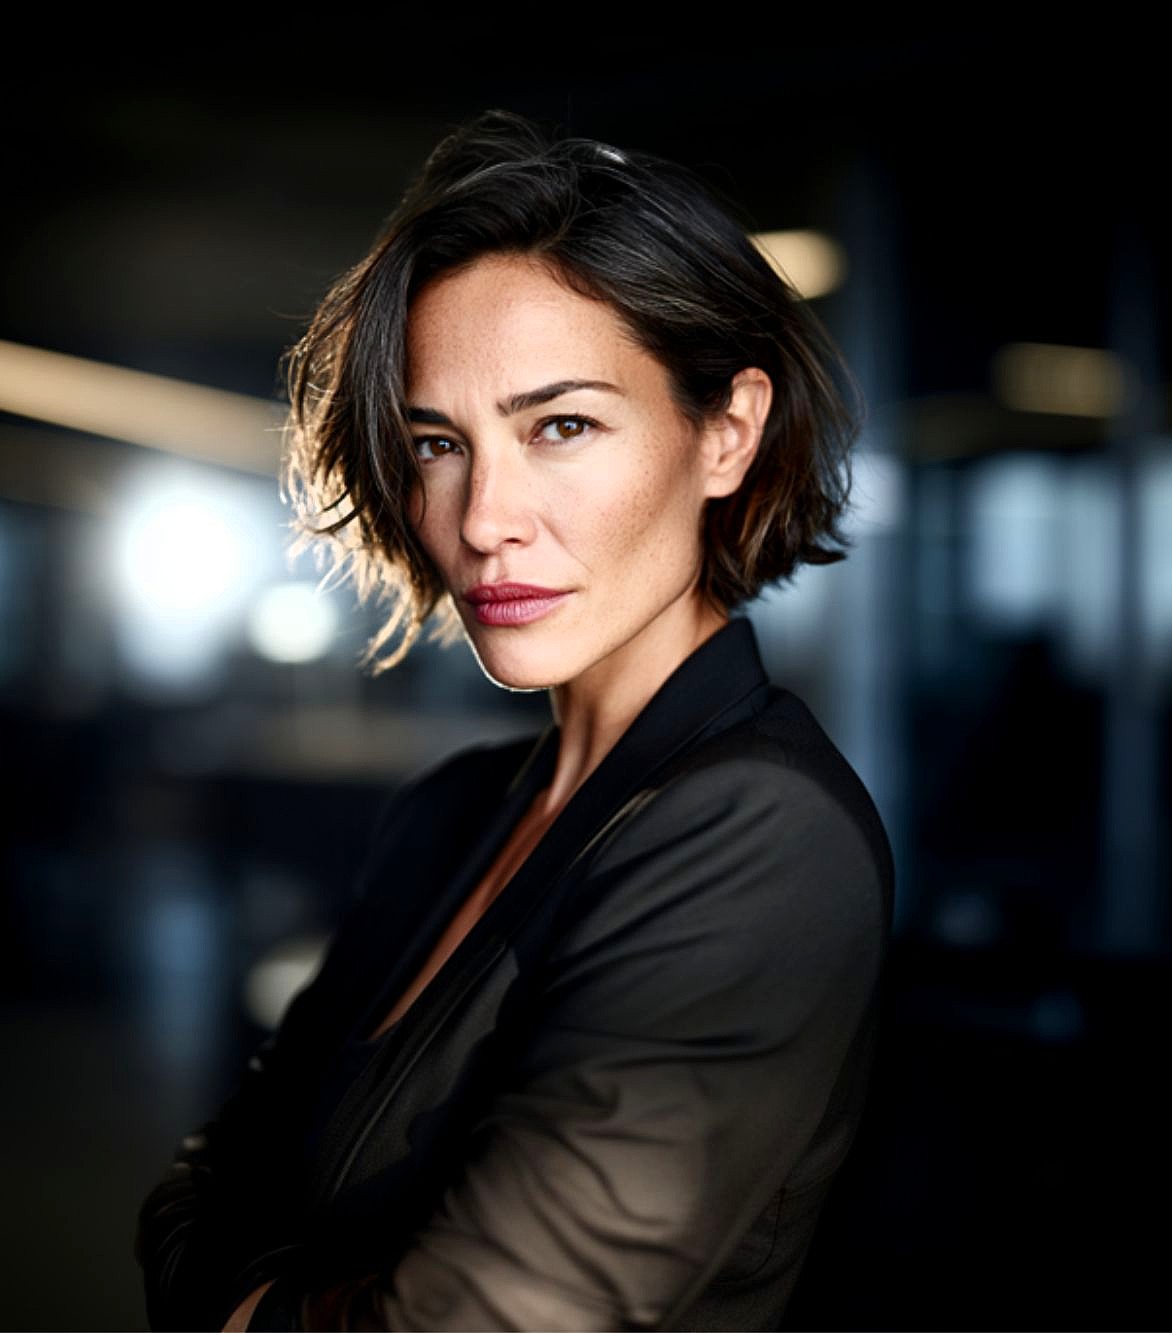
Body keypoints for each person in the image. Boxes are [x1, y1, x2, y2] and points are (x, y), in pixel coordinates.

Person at [135, 109, 895, 1332]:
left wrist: (237, 1301)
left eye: (561, 425)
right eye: (439, 442)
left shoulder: (760, 835)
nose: (485, 517)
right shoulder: (450, 813)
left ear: (726, 433)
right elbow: (188, 1193)